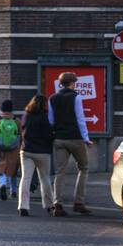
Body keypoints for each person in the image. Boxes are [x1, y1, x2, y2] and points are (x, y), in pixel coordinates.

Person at [48, 72, 92, 216]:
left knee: (60, 172)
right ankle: (78, 202)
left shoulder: (52, 98)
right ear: (72, 83)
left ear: (61, 83)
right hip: (75, 138)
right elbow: (80, 119)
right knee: (84, 167)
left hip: (59, 139)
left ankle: (57, 204)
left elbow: (51, 121)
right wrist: (86, 138)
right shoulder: (76, 97)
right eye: (75, 82)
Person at [18, 95, 56, 217]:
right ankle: (49, 205)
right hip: (42, 152)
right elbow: (49, 135)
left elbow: (22, 132)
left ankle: (23, 206)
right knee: (45, 179)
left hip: (26, 151)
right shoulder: (44, 118)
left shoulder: (25, 116)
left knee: (25, 179)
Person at [0, 99, 23, 201]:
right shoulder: (16, 120)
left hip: (0, 148)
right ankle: (13, 191)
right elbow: (21, 135)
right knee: (13, 169)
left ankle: (2, 185)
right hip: (14, 149)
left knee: (1, 169)